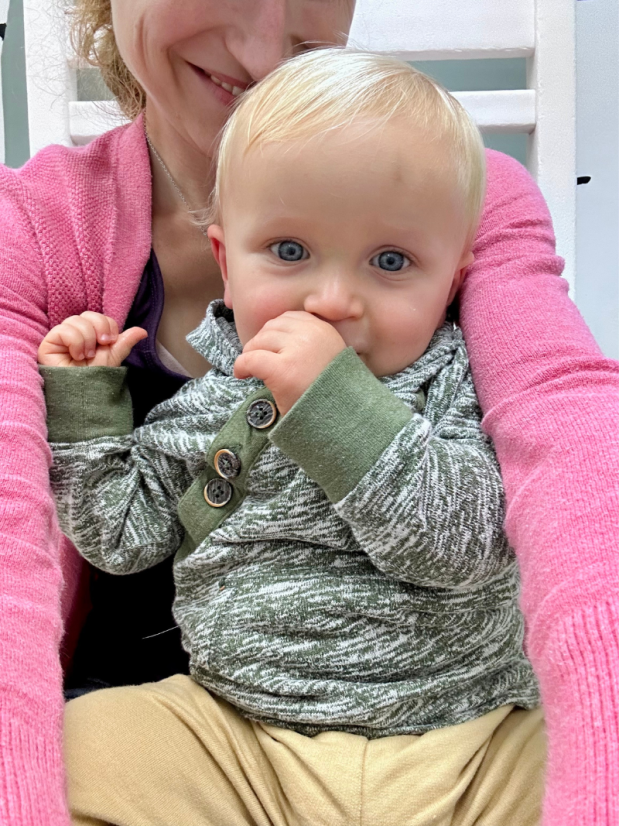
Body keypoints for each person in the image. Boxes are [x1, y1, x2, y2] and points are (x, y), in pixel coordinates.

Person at [0, 1, 616, 824]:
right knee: (86, 743)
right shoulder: (215, 399)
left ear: (454, 276)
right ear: (226, 259)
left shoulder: (453, 381)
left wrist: (335, 408)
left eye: (389, 261)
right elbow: (121, 536)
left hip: (465, 740)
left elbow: (465, 545)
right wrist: (85, 408)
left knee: (574, 753)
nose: (332, 299)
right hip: (239, 741)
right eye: (289, 253)